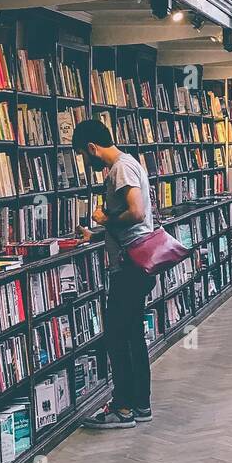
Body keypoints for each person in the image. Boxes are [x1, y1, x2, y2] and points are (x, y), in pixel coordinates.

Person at [72, 118, 155, 430]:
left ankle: (123, 408)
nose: (85, 161)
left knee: (118, 337)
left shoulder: (120, 168)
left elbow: (136, 212)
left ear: (93, 148)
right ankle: (140, 404)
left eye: (83, 154)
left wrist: (105, 218)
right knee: (131, 335)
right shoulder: (129, 163)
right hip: (134, 263)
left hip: (130, 267)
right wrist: (95, 234)